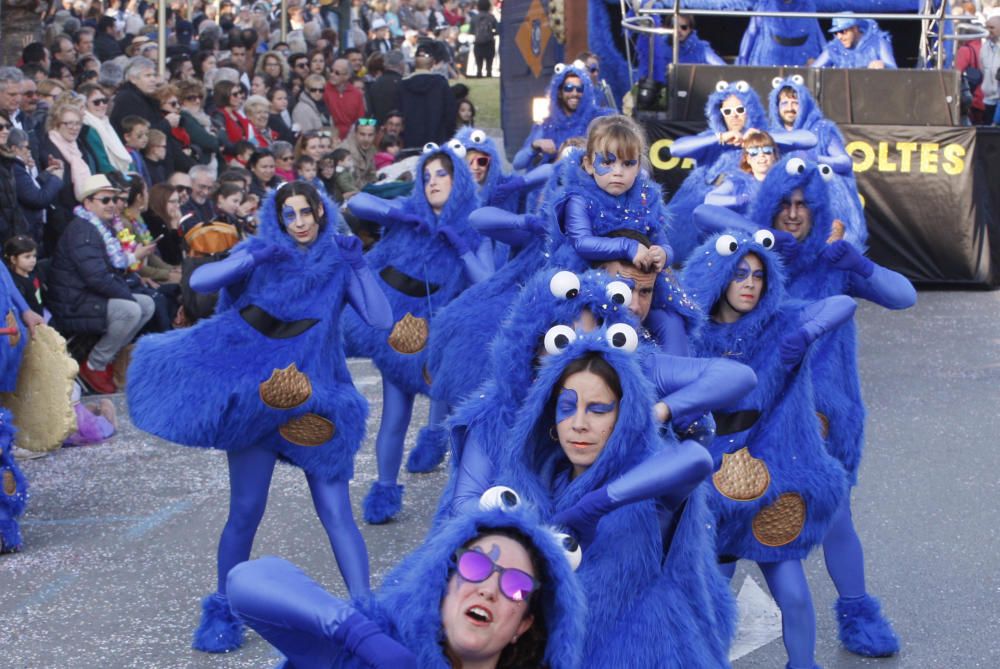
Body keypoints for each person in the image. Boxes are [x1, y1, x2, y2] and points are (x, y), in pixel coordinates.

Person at [127, 181, 393, 653]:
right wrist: (250, 259)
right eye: (289, 214)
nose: (300, 222)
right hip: (256, 406)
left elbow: (380, 320)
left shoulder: (337, 262)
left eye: (307, 211)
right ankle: (224, 611)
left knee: (335, 510)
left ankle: (366, 610)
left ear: (321, 212)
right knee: (246, 510)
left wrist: (359, 265)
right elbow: (201, 283)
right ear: (278, 218)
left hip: (316, 402)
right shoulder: (259, 252)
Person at [750, 156, 915, 658]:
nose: (794, 214)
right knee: (734, 526)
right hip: (764, 420)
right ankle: (704, 624)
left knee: (837, 519)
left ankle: (859, 617)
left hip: (827, 421)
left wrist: (856, 262)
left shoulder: (833, 260)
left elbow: (904, 296)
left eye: (803, 204)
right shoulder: (754, 261)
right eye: (784, 204)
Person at [682, 226, 856, 669]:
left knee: (795, 596)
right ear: (718, 275)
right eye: (739, 273)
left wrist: (806, 332)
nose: (749, 284)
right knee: (710, 606)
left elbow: (842, 303)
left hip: (771, 487)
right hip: (709, 495)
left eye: (759, 276)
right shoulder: (689, 334)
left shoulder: (781, 322)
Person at [227, 502, 586, 669]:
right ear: (441, 589)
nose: (490, 589)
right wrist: (361, 636)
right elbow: (246, 581)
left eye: (515, 586)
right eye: (476, 566)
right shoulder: (365, 658)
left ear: (523, 625)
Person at [343, 142, 491, 524]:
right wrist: (402, 216)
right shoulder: (408, 213)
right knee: (394, 415)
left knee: (449, 405)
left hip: (440, 334)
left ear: (458, 179)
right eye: (426, 176)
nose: (432, 182)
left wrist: (460, 247)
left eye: (442, 174)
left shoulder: (473, 223)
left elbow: (486, 282)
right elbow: (357, 202)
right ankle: (384, 490)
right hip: (395, 332)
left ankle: (459, 492)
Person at [46, 174, 156, 394]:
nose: (112, 205)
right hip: (74, 302)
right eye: (105, 200)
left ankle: (108, 359)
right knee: (131, 309)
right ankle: (94, 365)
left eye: (114, 200)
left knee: (146, 304)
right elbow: (96, 277)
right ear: (87, 203)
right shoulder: (82, 230)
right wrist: (126, 294)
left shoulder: (102, 227)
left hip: (91, 295)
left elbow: (110, 271)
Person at [767, 75, 867, 248]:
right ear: (776, 107)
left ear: (804, 104)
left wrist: (815, 159)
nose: (790, 108)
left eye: (795, 102)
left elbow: (844, 161)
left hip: (824, 202)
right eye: (784, 103)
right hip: (788, 208)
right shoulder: (771, 135)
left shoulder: (821, 128)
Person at [512, 62, 611, 170]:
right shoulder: (547, 125)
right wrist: (535, 145)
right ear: (559, 92)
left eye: (580, 89)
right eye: (568, 88)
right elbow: (517, 164)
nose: (574, 93)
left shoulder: (597, 120)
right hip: (550, 183)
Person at [633, 11, 724, 86]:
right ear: (668, 27)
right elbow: (645, 74)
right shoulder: (658, 48)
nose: (679, 30)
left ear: (691, 29)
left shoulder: (702, 49)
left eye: (683, 27)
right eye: (674, 26)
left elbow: (724, 70)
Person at [703, 130, 779, 215]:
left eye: (767, 150)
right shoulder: (737, 183)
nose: (761, 155)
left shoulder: (785, 183)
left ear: (774, 156)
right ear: (747, 159)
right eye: (754, 152)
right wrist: (741, 200)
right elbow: (709, 199)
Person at [737, 0, 825, 66]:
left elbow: (819, 36)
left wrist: (819, 61)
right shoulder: (764, 5)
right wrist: (742, 63)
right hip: (767, 66)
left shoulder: (808, 5)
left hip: (803, 65)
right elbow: (750, 35)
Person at [398, 54, 457, 148]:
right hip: (437, 137)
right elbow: (450, 111)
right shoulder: (441, 84)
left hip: (410, 138)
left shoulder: (403, 85)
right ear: (432, 64)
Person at [812, 14, 897, 69]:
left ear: (855, 29)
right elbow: (812, 71)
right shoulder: (834, 48)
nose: (839, 37)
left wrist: (884, 66)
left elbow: (895, 71)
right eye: (836, 33)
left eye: (843, 32)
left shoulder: (879, 42)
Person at [324, 58, 366, 140]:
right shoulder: (323, 90)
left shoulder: (356, 94)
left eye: (337, 73)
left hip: (351, 138)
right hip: (329, 138)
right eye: (331, 71)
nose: (332, 74)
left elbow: (360, 120)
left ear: (347, 76)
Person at [341, 117, 378, 188]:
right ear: (355, 134)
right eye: (362, 134)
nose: (366, 139)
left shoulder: (371, 148)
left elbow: (372, 174)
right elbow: (353, 183)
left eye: (370, 135)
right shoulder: (345, 151)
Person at [978, 15, 1000, 124]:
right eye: (987, 27)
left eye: (992, 28)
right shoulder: (985, 47)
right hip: (988, 99)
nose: (988, 31)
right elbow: (982, 68)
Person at [471, 0, 498, 78]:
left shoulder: (474, 18)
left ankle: (479, 73)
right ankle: (489, 73)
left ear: (478, 7)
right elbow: (497, 29)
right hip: (489, 42)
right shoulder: (491, 17)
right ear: (489, 7)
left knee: (479, 62)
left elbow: (471, 31)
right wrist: (492, 33)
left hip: (478, 43)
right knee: (489, 63)